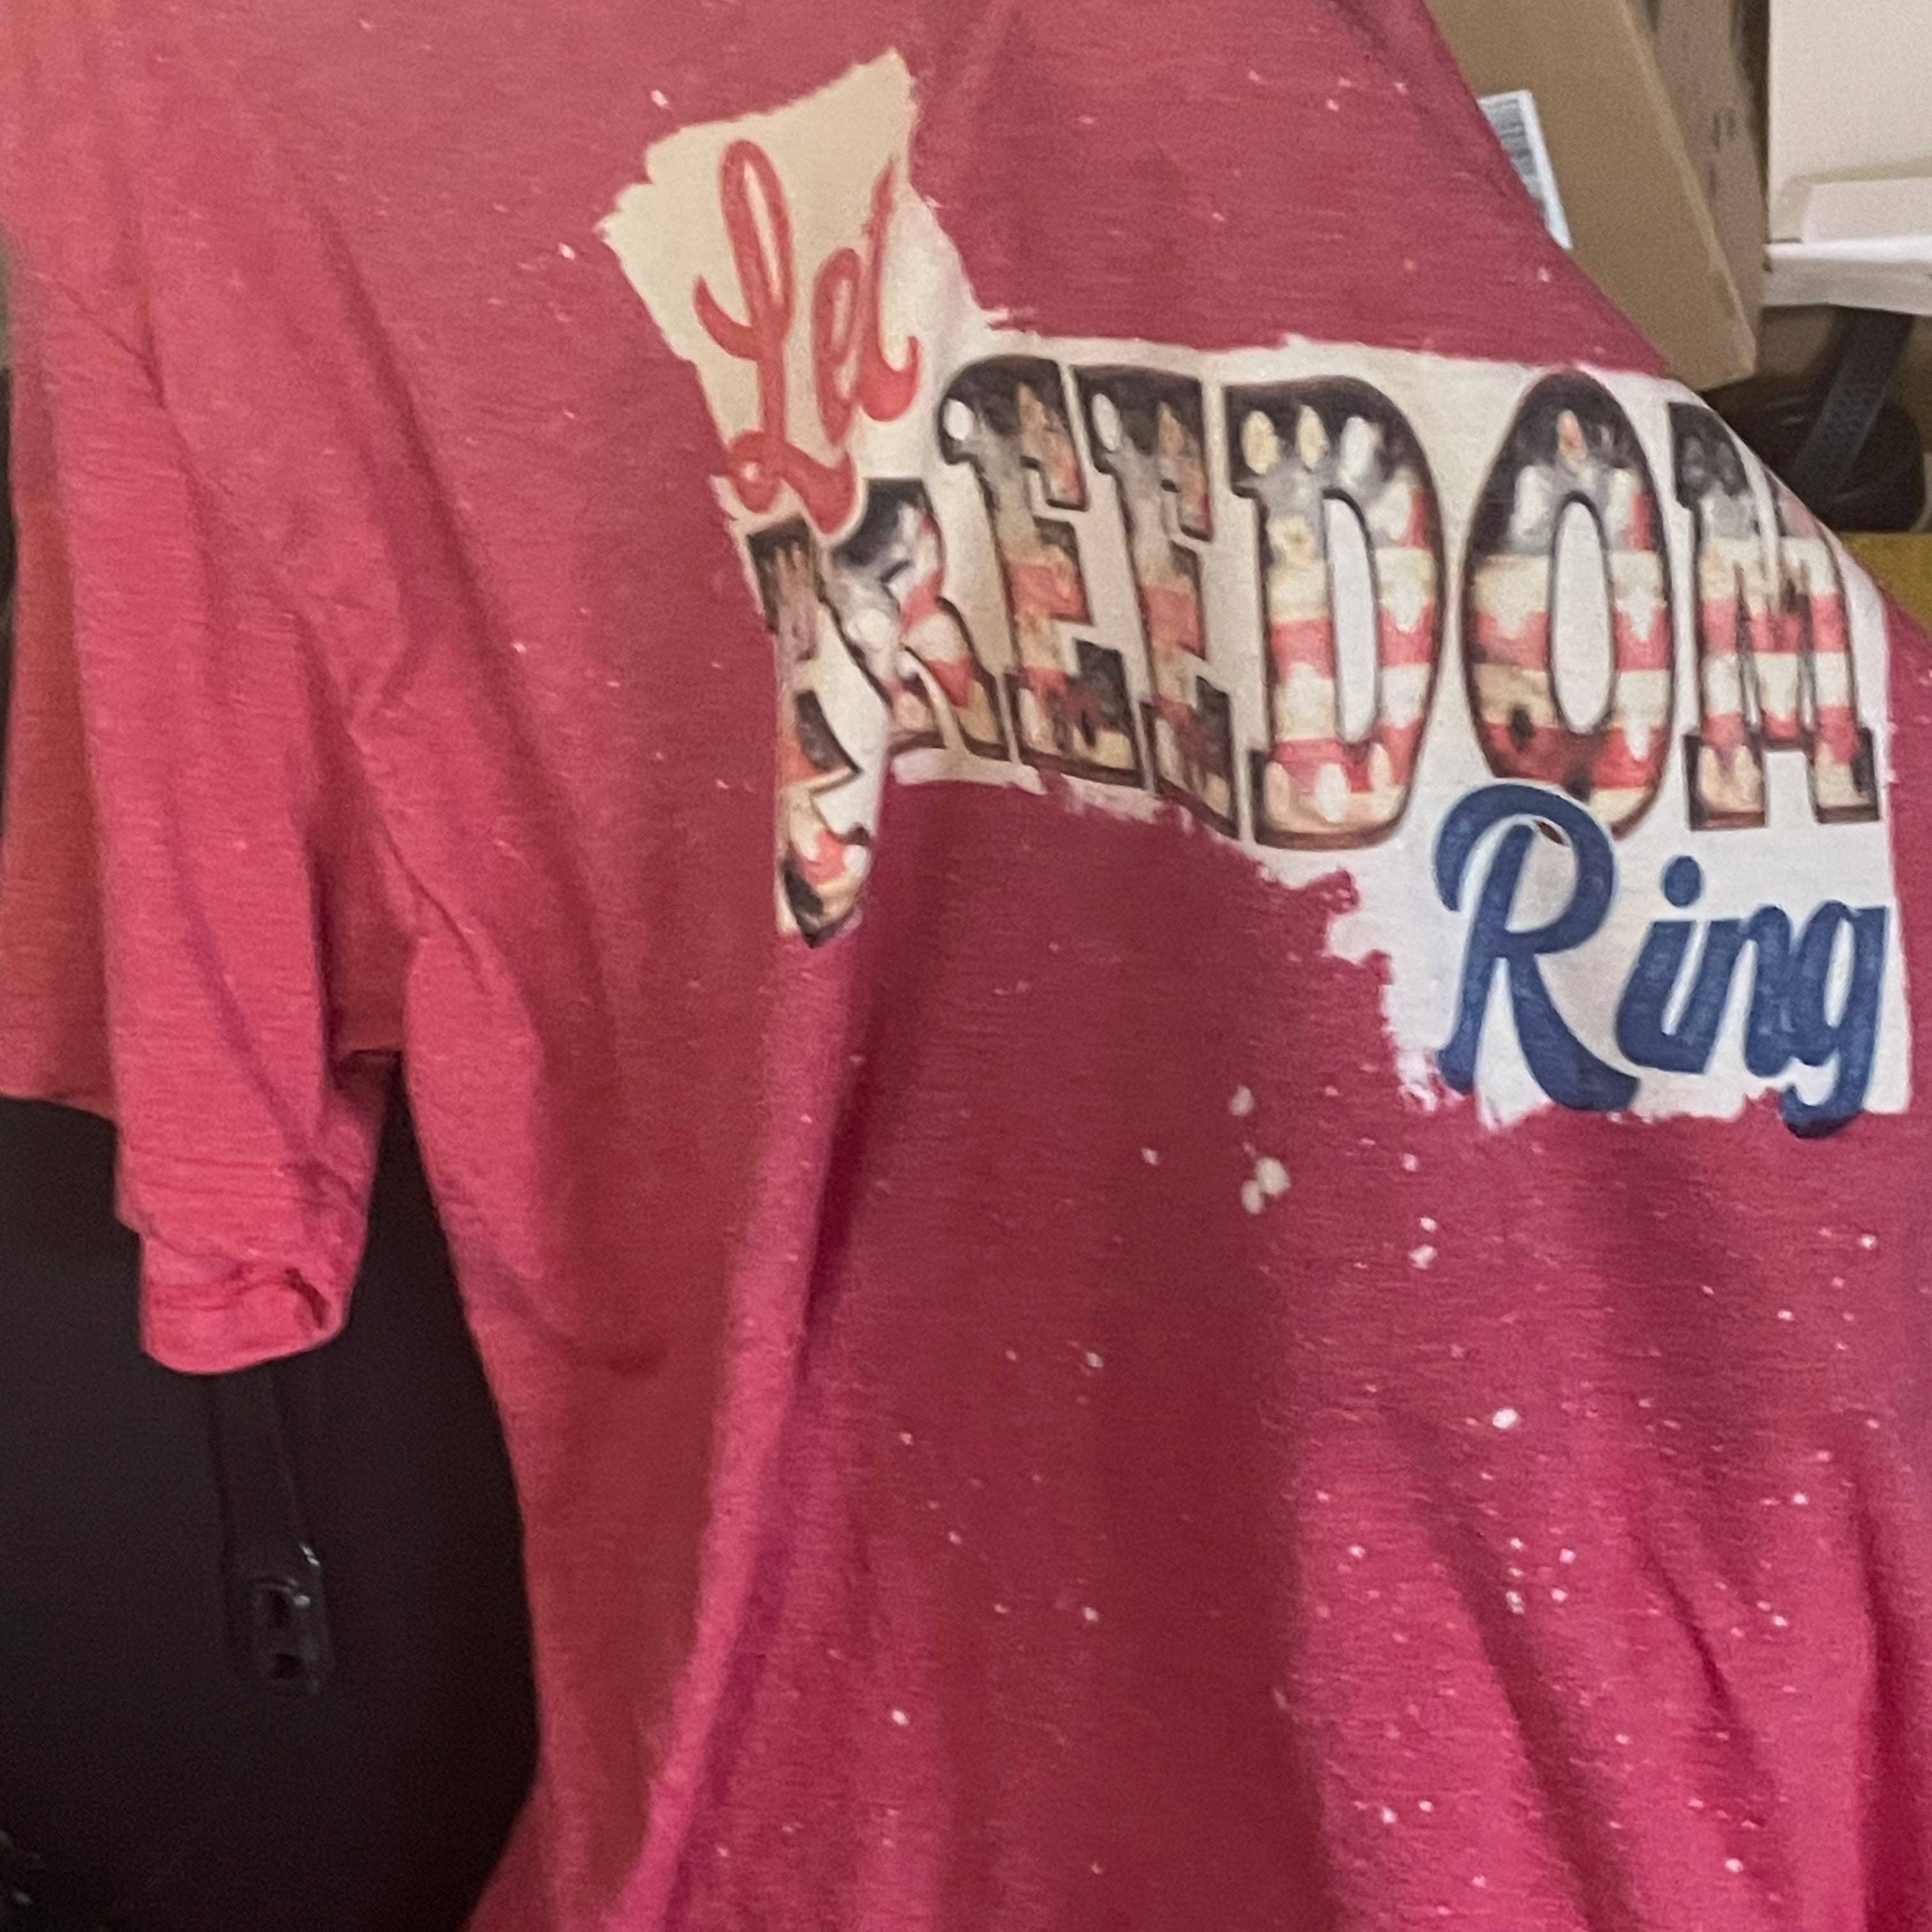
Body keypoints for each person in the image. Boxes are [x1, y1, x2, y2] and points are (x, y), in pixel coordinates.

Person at [4, 3, 1929, 1927]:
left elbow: (230, 1159)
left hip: (933, 1732)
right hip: (1169, 1720)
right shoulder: (179, 85)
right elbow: (220, 1145)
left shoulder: (176, 88)